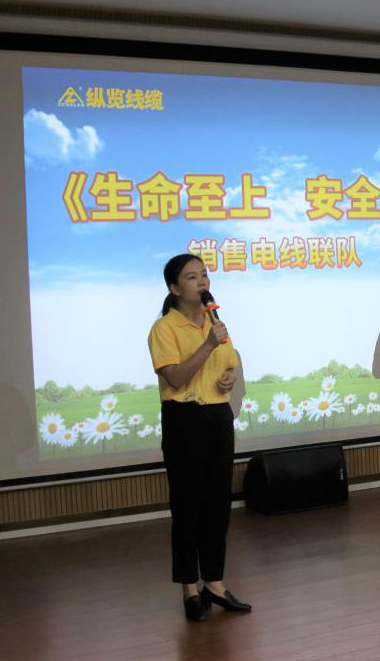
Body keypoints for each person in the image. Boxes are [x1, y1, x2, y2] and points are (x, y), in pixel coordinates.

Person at [147, 253, 252, 621]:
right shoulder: (165, 328)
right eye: (192, 277)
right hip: (184, 419)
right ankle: (189, 588)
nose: (202, 282)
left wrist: (228, 380)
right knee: (187, 506)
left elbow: (229, 366)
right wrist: (207, 344)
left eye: (204, 275)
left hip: (217, 417)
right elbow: (175, 377)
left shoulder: (215, 322)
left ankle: (215, 583)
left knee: (217, 503)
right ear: (175, 288)